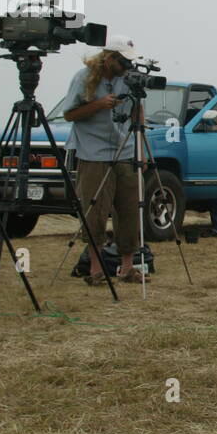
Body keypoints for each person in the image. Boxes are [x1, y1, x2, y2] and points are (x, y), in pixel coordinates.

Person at [62, 35, 146, 284]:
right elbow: (69, 114)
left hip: (125, 150)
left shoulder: (129, 79)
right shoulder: (84, 77)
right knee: (95, 212)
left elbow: (137, 112)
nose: (127, 67)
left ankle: (128, 267)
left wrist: (140, 148)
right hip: (94, 152)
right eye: (123, 62)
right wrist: (98, 105)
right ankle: (96, 270)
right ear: (109, 58)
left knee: (129, 209)